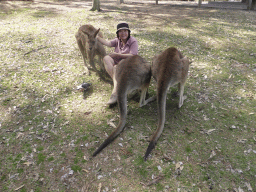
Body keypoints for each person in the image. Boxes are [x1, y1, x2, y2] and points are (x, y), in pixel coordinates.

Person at [97, 22, 138, 105]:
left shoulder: (133, 41)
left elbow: (133, 55)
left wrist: (117, 54)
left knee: (116, 67)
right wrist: (97, 37)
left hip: (128, 63)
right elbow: (108, 43)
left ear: (128, 32)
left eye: (125, 31)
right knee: (106, 58)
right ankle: (118, 84)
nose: (123, 33)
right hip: (118, 62)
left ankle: (115, 94)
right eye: (120, 31)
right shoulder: (117, 40)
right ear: (118, 33)